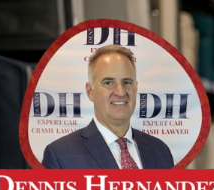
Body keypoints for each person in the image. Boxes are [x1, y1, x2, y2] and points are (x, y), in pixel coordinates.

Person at [41, 45, 174, 170]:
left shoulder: (160, 150)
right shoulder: (59, 155)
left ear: (136, 87)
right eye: (108, 82)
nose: (120, 92)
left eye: (127, 82)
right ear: (90, 91)